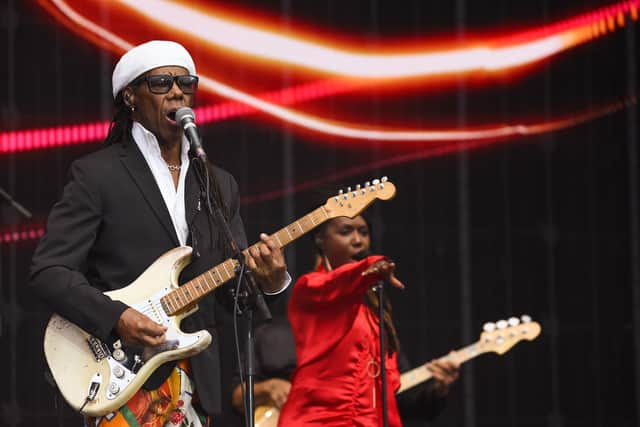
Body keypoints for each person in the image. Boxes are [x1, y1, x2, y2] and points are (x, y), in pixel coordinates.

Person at [29, 40, 289, 427]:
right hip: (126, 375)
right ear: (130, 96)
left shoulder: (217, 183)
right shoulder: (98, 175)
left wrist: (270, 281)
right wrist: (118, 317)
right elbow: (48, 270)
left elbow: (234, 294)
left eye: (186, 83)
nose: (177, 92)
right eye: (162, 83)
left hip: (197, 378)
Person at [252, 214, 459, 426]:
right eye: (345, 231)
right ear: (319, 239)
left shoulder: (376, 313)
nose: (358, 240)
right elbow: (335, 285)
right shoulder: (311, 290)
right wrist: (372, 267)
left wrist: (438, 387)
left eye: (363, 232)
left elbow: (398, 396)